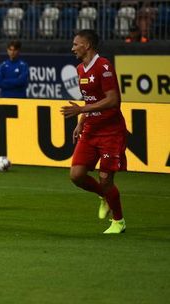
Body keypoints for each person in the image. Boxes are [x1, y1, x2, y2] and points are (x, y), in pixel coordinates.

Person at [61, 29, 127, 234]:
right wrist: (82, 120)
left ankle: (119, 221)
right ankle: (104, 195)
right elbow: (91, 100)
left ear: (87, 45)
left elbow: (113, 100)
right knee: (76, 175)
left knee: (106, 178)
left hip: (110, 131)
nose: (72, 48)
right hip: (90, 128)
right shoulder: (80, 69)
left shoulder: (104, 66)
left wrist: (81, 110)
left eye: (75, 44)